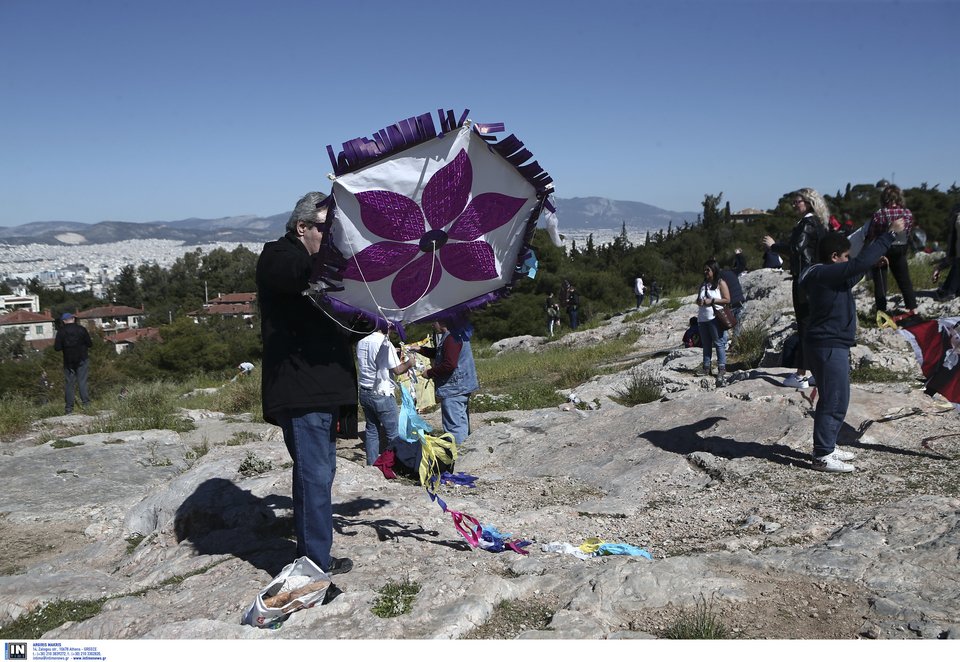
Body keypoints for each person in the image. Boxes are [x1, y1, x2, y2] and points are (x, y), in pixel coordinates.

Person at [256, 191, 356, 576]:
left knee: (322, 474)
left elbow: (350, 324)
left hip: (325, 387)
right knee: (313, 476)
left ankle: (315, 555)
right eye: (327, 229)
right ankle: (314, 564)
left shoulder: (320, 268)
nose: (333, 238)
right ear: (302, 227)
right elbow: (298, 275)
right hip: (301, 388)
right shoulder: (279, 256)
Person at [799, 217, 905, 473]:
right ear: (834, 257)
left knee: (838, 397)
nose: (848, 260)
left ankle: (828, 445)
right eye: (845, 257)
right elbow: (855, 266)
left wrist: (869, 265)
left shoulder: (826, 275)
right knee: (833, 399)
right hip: (827, 345)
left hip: (831, 344)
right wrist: (889, 235)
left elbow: (850, 275)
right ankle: (822, 455)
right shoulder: (821, 273)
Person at [762, 188, 830, 389]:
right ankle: (817, 372)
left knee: (804, 326)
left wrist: (773, 246)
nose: (794, 205)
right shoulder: (819, 223)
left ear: (808, 203)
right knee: (814, 326)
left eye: (797, 201)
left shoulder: (806, 224)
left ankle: (801, 374)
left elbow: (795, 249)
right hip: (817, 278)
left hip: (804, 280)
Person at [412, 319, 478, 445]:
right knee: (461, 422)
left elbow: (449, 364)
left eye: (434, 321)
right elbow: (441, 353)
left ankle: (458, 452)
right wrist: (420, 349)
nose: (432, 324)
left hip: (453, 388)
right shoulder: (455, 335)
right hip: (460, 386)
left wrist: (429, 373)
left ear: (442, 321)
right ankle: (465, 449)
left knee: (454, 427)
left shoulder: (451, 338)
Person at [356, 326, 414, 465]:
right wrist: (410, 362)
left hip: (364, 390)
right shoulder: (386, 343)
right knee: (393, 433)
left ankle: (372, 464)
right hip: (382, 392)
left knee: (371, 430)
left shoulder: (361, 341)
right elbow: (398, 370)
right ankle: (395, 465)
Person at [864, 184, 918, 315]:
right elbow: (908, 231)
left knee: (880, 283)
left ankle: (881, 311)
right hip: (900, 249)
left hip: (882, 250)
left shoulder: (879, 214)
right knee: (904, 280)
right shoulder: (907, 213)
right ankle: (912, 308)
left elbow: (872, 234)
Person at [695, 259, 731, 387]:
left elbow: (727, 299)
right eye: (704, 269)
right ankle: (706, 367)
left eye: (708, 270)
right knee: (706, 344)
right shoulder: (703, 284)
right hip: (702, 318)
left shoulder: (720, 283)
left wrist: (712, 301)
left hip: (715, 318)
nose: (705, 272)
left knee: (718, 343)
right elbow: (698, 299)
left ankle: (722, 367)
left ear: (714, 270)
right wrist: (699, 302)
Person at [54, 312, 92, 414]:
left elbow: (57, 348)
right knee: (82, 382)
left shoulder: (61, 332)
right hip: (82, 359)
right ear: (73, 319)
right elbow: (90, 344)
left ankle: (69, 408)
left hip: (68, 361)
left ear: (64, 321)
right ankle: (86, 404)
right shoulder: (81, 329)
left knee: (69, 384)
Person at [932, 204, 960, 302]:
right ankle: (948, 289)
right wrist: (940, 267)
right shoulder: (956, 211)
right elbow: (952, 241)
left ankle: (949, 290)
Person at [719, 267, 746, 337]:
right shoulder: (731, 273)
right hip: (740, 302)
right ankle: (735, 342)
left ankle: (733, 341)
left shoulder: (719, 277)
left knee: (725, 329)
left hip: (731, 305)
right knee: (737, 329)